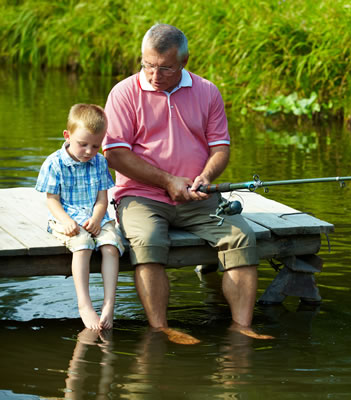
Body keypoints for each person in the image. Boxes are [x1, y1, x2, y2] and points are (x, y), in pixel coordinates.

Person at [102, 23, 272, 343]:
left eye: (164, 68)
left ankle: (242, 327)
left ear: (185, 61)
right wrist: (167, 181)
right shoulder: (123, 93)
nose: (154, 75)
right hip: (141, 195)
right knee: (149, 242)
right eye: (147, 65)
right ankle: (161, 328)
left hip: (199, 196)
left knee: (242, 238)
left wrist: (205, 178)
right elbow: (115, 154)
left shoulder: (207, 91)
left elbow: (220, 147)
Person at [36, 104, 124, 330]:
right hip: (67, 217)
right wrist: (65, 220)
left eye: (95, 145)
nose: (88, 151)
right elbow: (52, 200)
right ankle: (84, 304)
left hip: (97, 217)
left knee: (111, 246)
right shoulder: (54, 163)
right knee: (83, 244)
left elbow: (103, 199)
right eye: (82, 144)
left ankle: (108, 304)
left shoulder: (100, 162)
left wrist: (96, 218)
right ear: (67, 135)